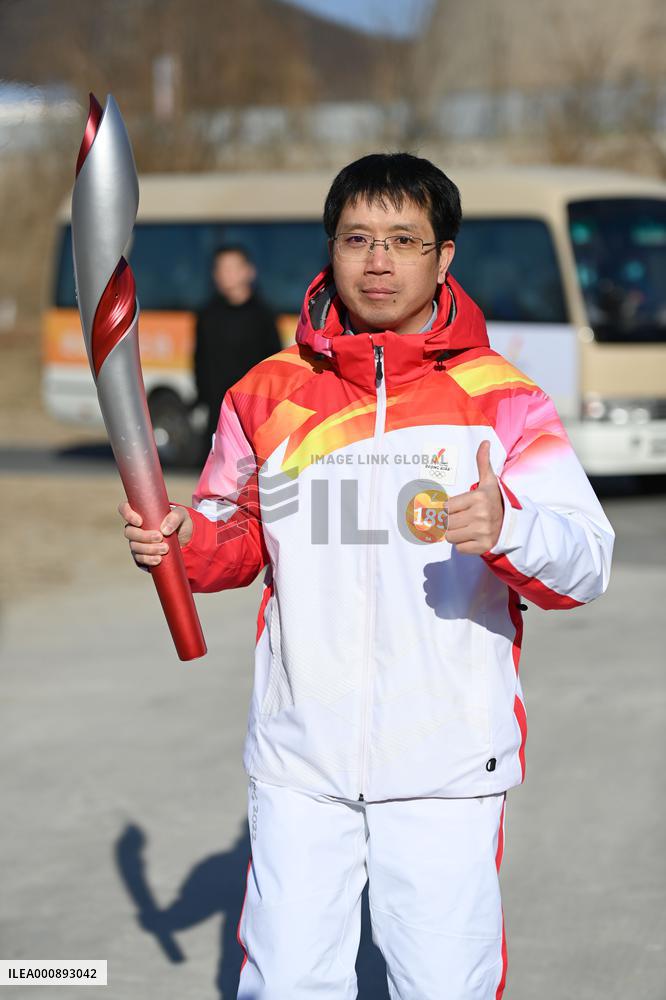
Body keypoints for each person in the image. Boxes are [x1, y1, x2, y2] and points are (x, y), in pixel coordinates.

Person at [120, 153, 614, 999]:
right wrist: (181, 542)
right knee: (286, 984)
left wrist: (511, 529)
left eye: (403, 240)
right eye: (357, 238)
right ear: (330, 248)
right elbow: (231, 534)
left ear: (444, 256)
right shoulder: (267, 392)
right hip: (300, 760)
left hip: (446, 764)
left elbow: (586, 562)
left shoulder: (501, 400)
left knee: (440, 986)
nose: (377, 260)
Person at [194, 244, 282, 458]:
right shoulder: (207, 314)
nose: (227, 275)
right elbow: (200, 361)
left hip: (256, 410)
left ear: (249, 271)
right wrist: (204, 397)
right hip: (218, 411)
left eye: (233, 268)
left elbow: (274, 362)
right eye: (221, 269)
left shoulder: (263, 315)